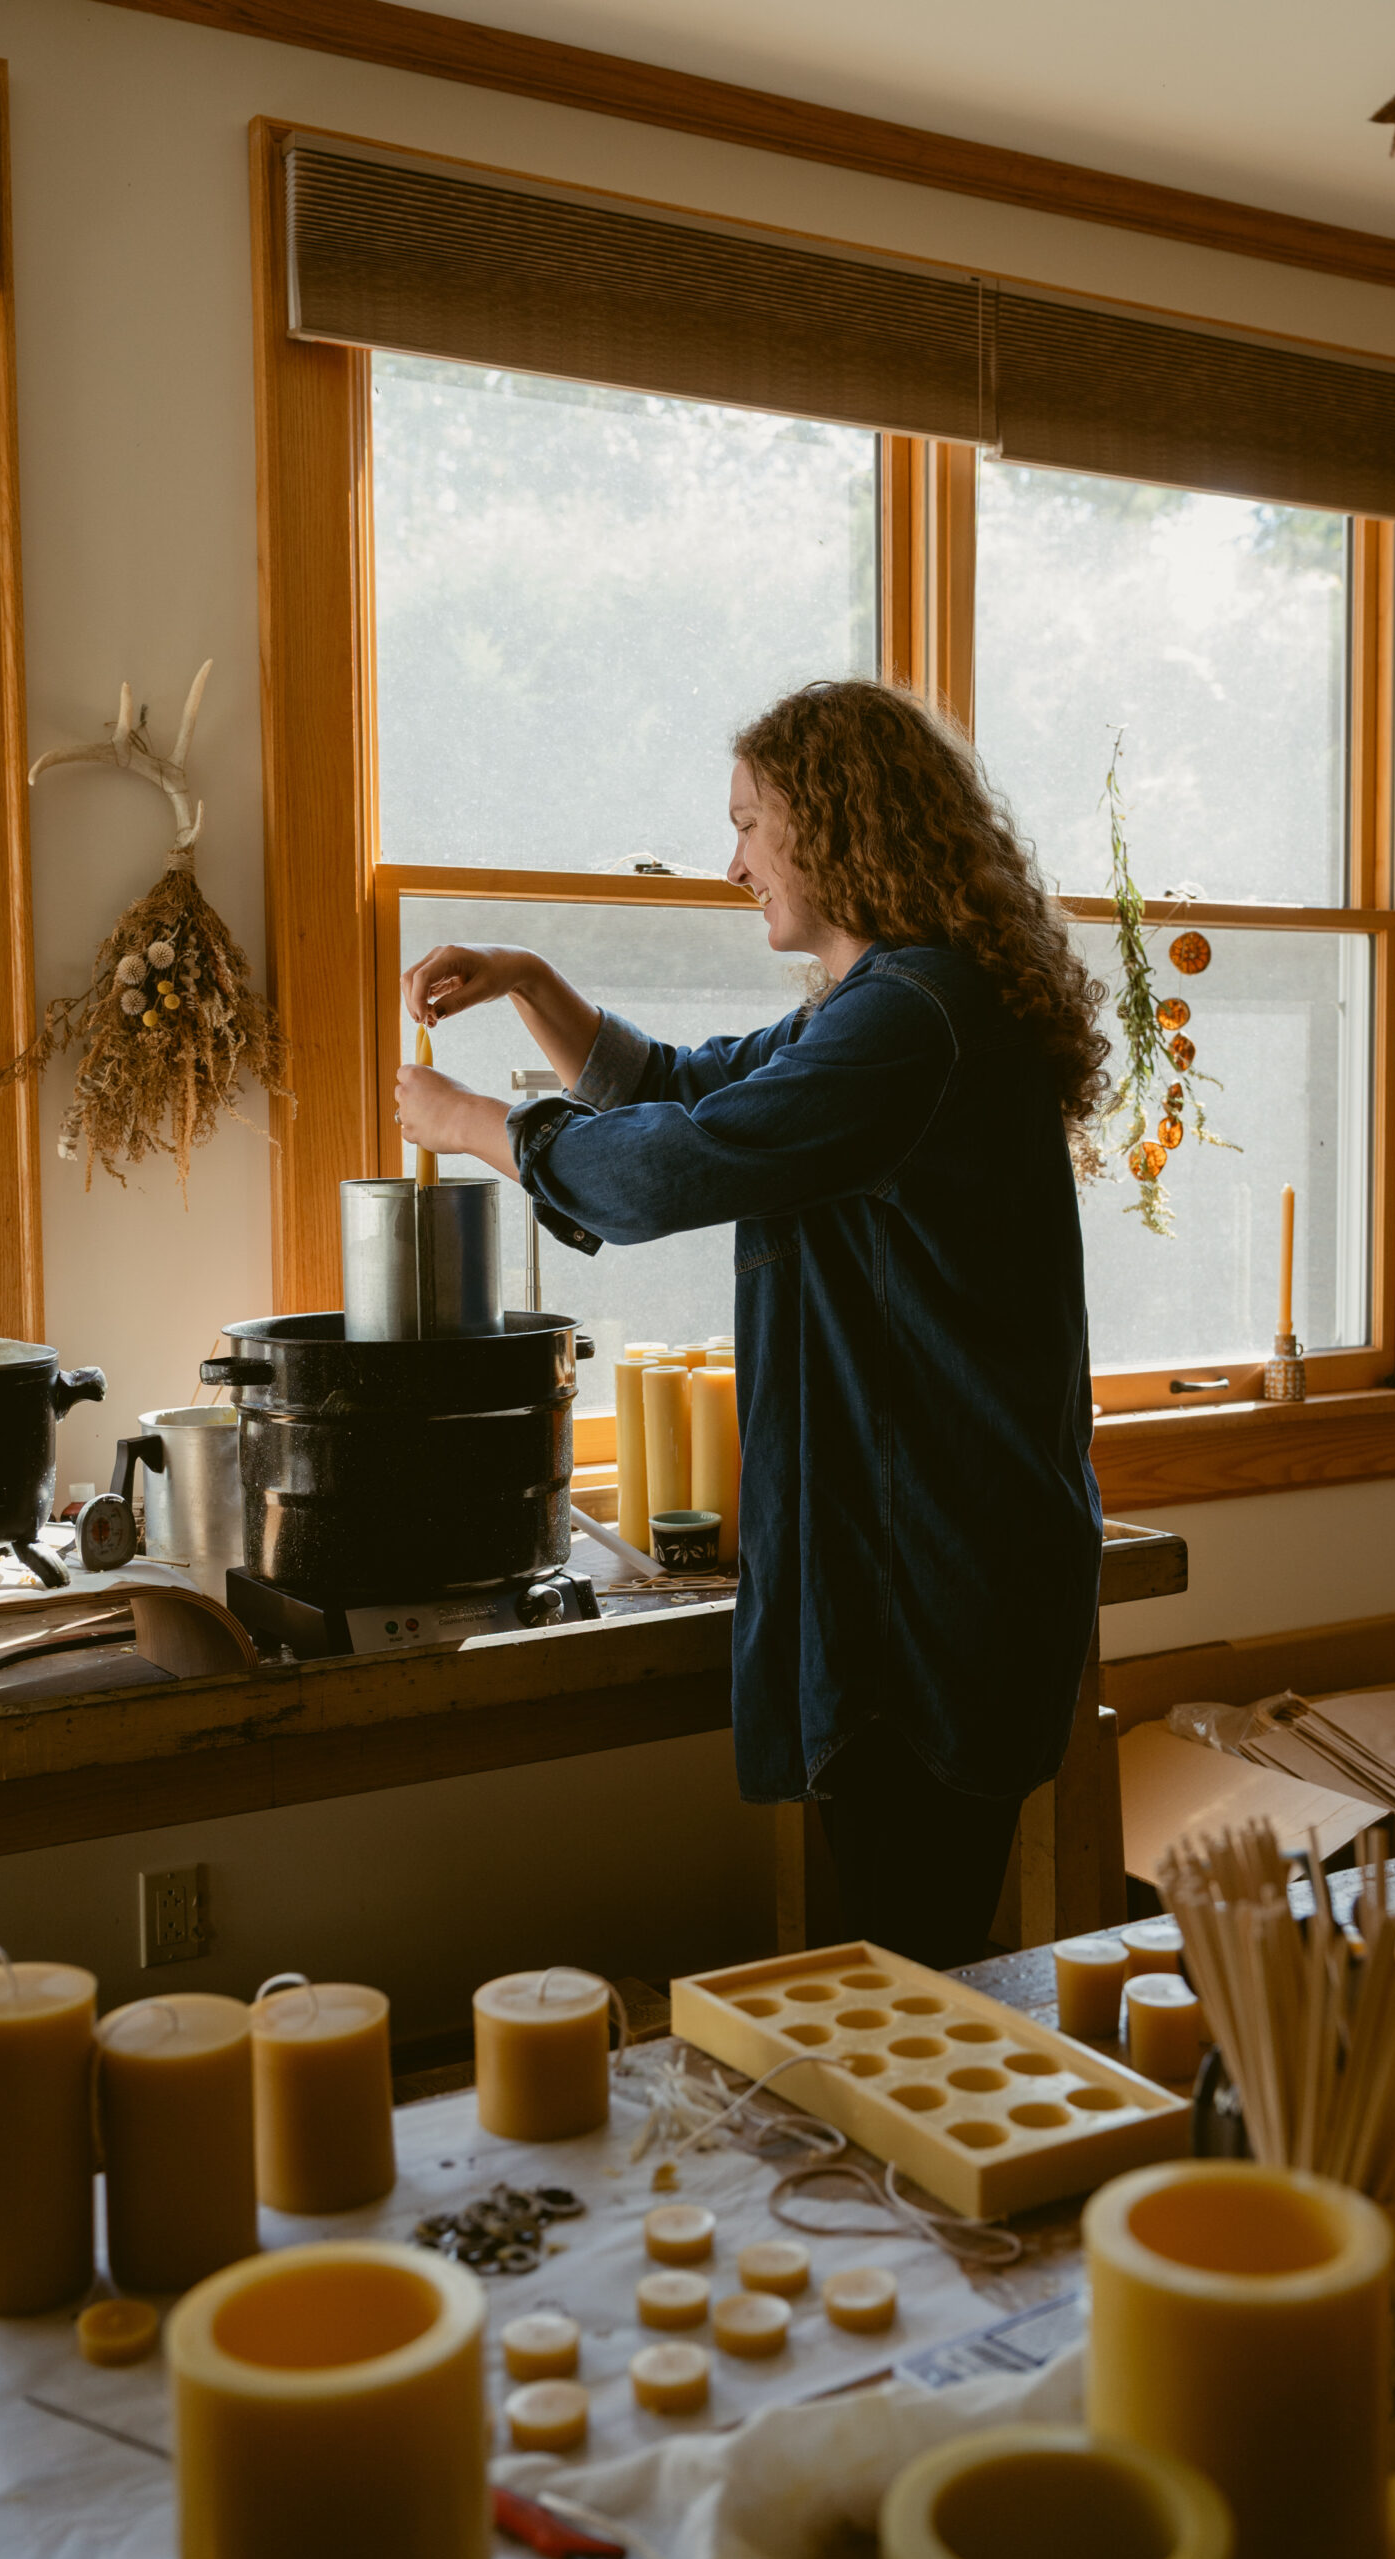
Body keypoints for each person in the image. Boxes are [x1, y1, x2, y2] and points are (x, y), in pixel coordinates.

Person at [396, 680, 1108, 1970]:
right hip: (929, 1559)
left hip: (932, 1573)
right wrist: (534, 987)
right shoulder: (889, 1003)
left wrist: (465, 1124)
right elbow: (688, 1087)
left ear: (838, 826)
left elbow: (675, 1161)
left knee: (914, 1969)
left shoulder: (912, 1017)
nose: (732, 864)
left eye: (747, 825)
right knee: (907, 1965)